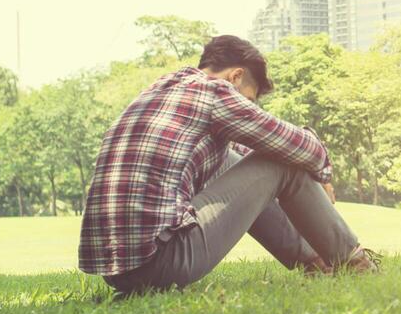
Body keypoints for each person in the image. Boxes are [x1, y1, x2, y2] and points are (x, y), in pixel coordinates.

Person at [78, 34, 378, 293]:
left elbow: (238, 161)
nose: (246, 106)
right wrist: (322, 171)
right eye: (248, 99)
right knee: (283, 160)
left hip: (117, 272)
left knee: (236, 159)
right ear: (235, 76)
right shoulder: (213, 92)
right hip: (162, 260)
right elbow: (297, 146)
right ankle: (354, 262)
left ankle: (315, 263)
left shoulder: (162, 89)